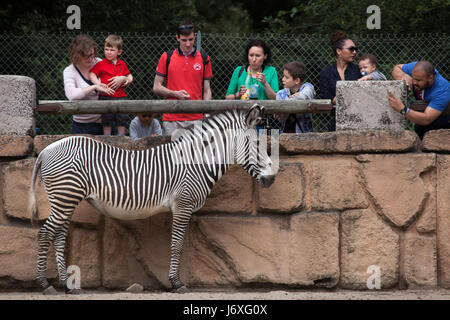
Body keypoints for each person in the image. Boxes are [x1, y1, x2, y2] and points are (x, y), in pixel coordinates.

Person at [153, 21, 213, 136]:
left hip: (196, 117)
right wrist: (175, 94)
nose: (188, 44)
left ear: (195, 36)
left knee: (196, 153)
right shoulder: (167, 57)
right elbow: (156, 87)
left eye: (190, 39)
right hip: (172, 117)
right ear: (177, 38)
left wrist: (206, 114)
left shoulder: (204, 58)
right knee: (171, 153)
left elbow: (207, 90)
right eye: (184, 40)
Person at [63, 34, 119, 135]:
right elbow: (71, 95)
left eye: (92, 54)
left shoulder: (99, 62)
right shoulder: (69, 71)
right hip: (82, 125)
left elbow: (112, 83)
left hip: (106, 122)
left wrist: (122, 78)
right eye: (86, 56)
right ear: (76, 55)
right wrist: (94, 86)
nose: (90, 59)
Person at [388, 60, 450, 139]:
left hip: (443, 121)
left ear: (431, 78)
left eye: (418, 80)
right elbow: (396, 68)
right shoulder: (417, 69)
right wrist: (403, 75)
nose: (414, 82)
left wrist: (402, 109)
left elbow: (426, 119)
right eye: (413, 78)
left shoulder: (442, 91)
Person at [89, 34, 133, 136]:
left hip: (121, 97)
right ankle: (107, 141)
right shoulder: (101, 64)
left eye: (112, 50)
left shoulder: (122, 64)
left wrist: (128, 79)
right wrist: (98, 84)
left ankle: (121, 141)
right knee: (106, 122)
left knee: (121, 122)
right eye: (106, 49)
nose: (108, 52)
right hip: (105, 97)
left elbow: (129, 75)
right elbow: (92, 74)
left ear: (119, 52)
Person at [319, 30, 362, 131]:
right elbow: (325, 98)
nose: (354, 52)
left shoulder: (358, 69)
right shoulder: (326, 73)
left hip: (359, 118)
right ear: (339, 51)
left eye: (355, 49)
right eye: (351, 49)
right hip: (337, 121)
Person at [276, 61, 315, 133]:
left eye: (286, 77)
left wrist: (286, 103)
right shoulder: (280, 93)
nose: (282, 79)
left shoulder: (308, 87)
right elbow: (281, 119)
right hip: (285, 133)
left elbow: (303, 97)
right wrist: (293, 100)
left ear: (297, 80)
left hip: (304, 134)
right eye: (283, 76)